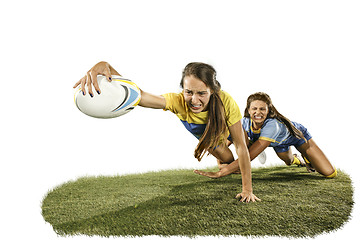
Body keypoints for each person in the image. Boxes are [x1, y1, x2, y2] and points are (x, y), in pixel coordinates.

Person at [73, 61, 260, 202]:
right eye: (189, 92)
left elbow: (241, 148)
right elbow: (139, 96)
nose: (194, 100)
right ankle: (227, 153)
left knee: (242, 144)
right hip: (210, 135)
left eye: (201, 93)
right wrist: (107, 66)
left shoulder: (226, 101)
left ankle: (252, 140)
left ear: (212, 90)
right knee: (227, 161)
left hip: (226, 124)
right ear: (183, 90)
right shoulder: (177, 101)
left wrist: (247, 190)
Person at [194, 92, 337, 179]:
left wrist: (223, 172)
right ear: (248, 111)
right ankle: (297, 160)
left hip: (297, 136)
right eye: (254, 109)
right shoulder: (243, 122)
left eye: (262, 109)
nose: (258, 112)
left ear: (268, 111)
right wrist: (221, 160)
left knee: (329, 173)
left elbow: (249, 156)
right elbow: (225, 143)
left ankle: (307, 156)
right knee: (288, 161)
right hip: (278, 143)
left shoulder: (272, 125)